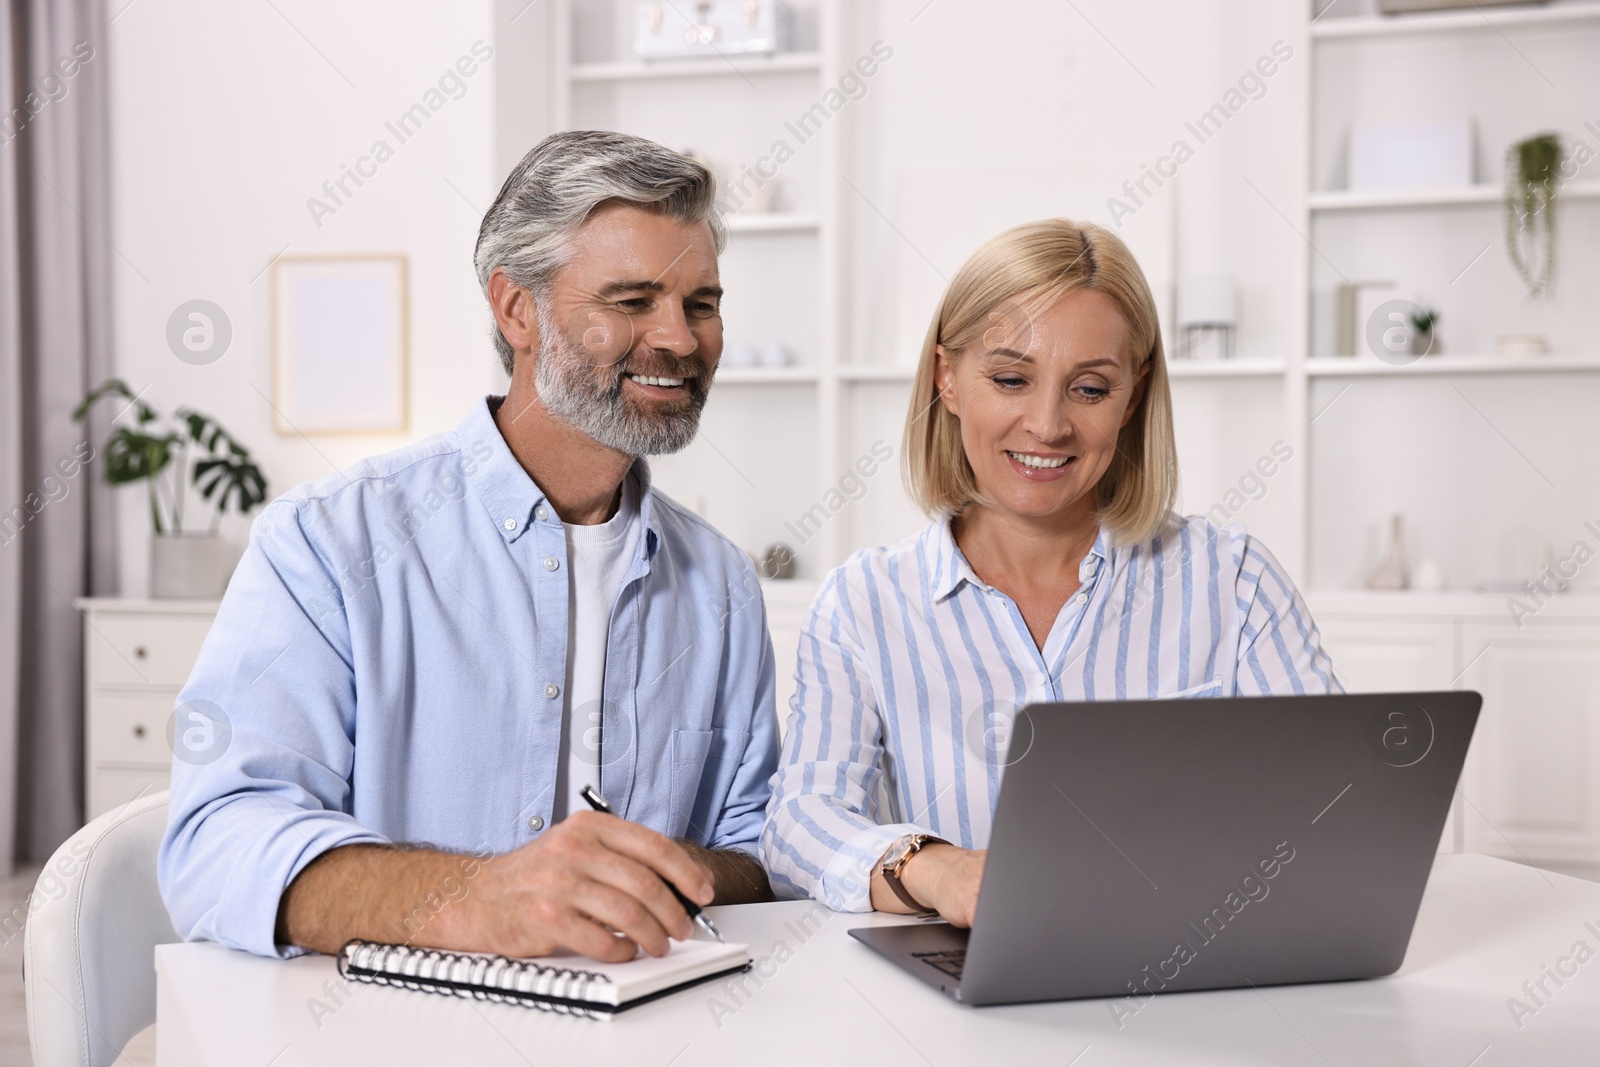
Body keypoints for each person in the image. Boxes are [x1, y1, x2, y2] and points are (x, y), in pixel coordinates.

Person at [159, 130, 778, 964]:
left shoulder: (722, 583)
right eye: (632, 301)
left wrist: (635, 876)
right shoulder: (328, 543)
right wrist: (482, 899)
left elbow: (759, 850)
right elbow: (216, 842)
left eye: (700, 303)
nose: (678, 337)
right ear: (517, 309)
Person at [761, 218, 1340, 926]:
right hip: (957, 1001)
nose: (1047, 424)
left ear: (1133, 395)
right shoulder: (863, 603)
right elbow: (798, 825)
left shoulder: (1234, 581)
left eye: (1090, 389)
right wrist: (937, 869)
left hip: (1186, 985)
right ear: (948, 379)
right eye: (1010, 378)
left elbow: (1335, 804)